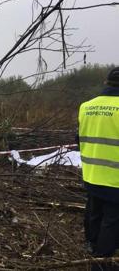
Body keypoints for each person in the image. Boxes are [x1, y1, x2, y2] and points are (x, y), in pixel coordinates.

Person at [79, 67, 119, 270]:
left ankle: (92, 246)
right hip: (115, 179)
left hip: (92, 174)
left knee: (94, 213)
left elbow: (79, 139)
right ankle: (103, 262)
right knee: (111, 222)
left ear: (106, 82)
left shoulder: (86, 106)